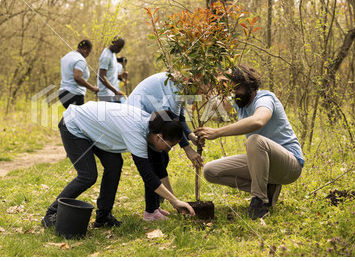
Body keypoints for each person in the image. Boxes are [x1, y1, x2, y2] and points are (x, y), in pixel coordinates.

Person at [41, 101, 195, 228]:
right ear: (159, 138)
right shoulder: (135, 132)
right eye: (170, 146)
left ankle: (103, 217)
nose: (170, 150)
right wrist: (174, 201)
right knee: (88, 175)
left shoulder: (152, 126)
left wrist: (174, 201)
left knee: (114, 165)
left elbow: (158, 171)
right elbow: (148, 176)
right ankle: (51, 214)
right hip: (74, 125)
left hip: (96, 129)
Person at [194, 65, 304, 220]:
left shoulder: (265, 98)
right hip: (264, 164)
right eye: (230, 90)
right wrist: (210, 82)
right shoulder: (240, 103)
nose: (233, 94)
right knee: (211, 171)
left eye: (236, 89)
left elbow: (258, 121)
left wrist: (217, 132)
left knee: (254, 141)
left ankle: (260, 203)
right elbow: (215, 104)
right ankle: (267, 190)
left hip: (289, 165)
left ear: (250, 86)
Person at [126, 72, 203, 221]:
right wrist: (188, 149)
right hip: (138, 120)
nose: (200, 95)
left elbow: (178, 119)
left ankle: (155, 206)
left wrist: (191, 136)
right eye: (200, 90)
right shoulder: (176, 89)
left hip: (152, 119)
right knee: (156, 161)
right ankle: (150, 212)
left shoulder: (179, 89)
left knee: (163, 159)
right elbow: (171, 124)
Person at [58, 39, 99, 109]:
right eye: (88, 52)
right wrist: (93, 88)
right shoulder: (80, 60)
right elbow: (77, 77)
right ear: (85, 49)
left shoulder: (67, 56)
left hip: (62, 93)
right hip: (74, 94)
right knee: (80, 118)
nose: (88, 55)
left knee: (72, 117)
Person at [97, 37, 126, 102]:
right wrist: (115, 91)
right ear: (112, 42)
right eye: (118, 46)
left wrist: (120, 75)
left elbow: (110, 73)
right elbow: (101, 76)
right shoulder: (106, 56)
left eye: (121, 47)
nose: (119, 49)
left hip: (111, 92)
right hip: (105, 94)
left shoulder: (112, 54)